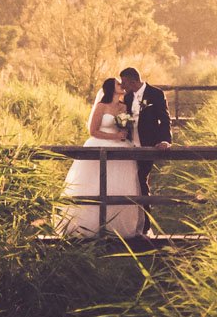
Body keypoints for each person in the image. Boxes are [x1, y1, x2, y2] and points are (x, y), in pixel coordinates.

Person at [60, 77, 143, 237]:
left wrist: (124, 133)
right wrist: (115, 137)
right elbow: (93, 131)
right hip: (100, 144)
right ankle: (87, 225)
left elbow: (127, 126)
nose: (122, 85)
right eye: (119, 84)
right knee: (93, 183)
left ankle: (116, 226)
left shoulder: (124, 106)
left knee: (118, 184)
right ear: (111, 88)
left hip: (121, 146)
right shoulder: (101, 106)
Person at [117, 67, 172, 196]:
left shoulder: (156, 94)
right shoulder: (127, 97)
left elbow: (164, 119)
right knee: (132, 180)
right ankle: (139, 213)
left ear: (133, 82)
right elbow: (124, 120)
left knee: (141, 178)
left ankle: (145, 213)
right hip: (129, 145)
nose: (122, 86)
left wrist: (165, 140)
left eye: (124, 82)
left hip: (148, 144)